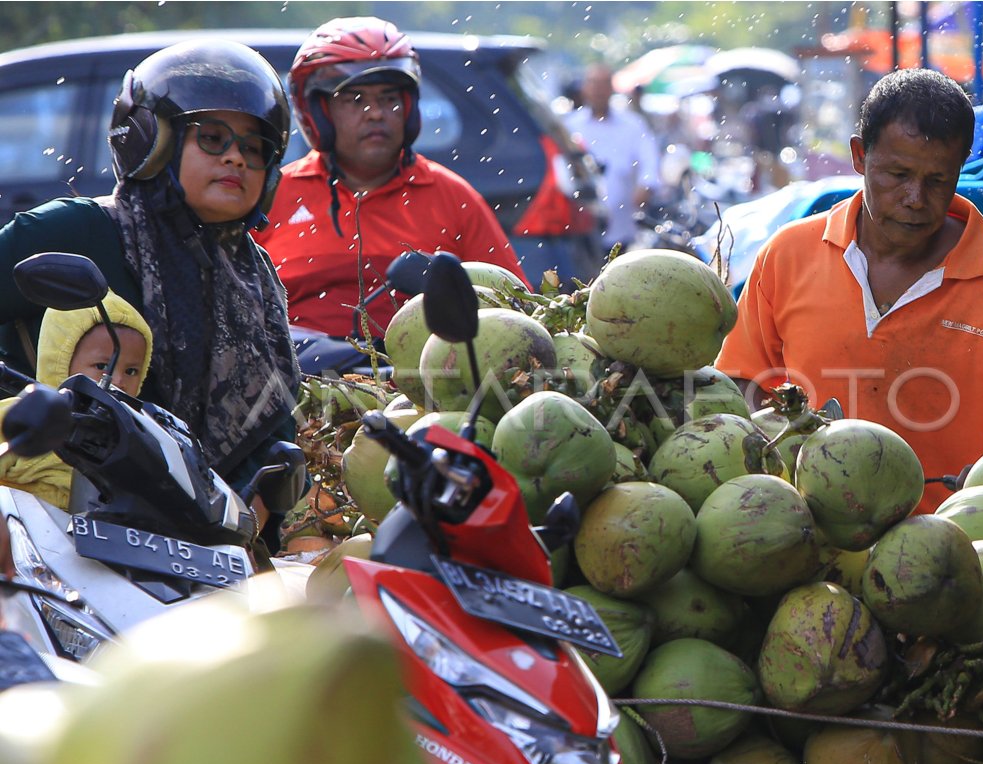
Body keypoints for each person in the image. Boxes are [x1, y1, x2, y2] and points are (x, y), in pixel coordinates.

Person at [715, 68, 983, 513]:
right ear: (859, 156)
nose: (915, 198)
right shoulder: (788, 255)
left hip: (956, 531)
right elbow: (743, 380)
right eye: (898, 174)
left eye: (937, 180)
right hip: (811, 525)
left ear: (960, 169)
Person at [0, 40, 303, 536]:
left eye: (254, 147)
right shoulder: (78, 230)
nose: (236, 158)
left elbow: (273, 427)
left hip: (204, 540)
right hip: (43, 517)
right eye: (212, 138)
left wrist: (261, 506)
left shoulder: (257, 280)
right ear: (151, 140)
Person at [255, 16, 528, 340]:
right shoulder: (271, 195)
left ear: (409, 106)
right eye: (355, 99)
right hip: (295, 383)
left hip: (422, 385)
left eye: (388, 98)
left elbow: (515, 312)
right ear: (316, 110)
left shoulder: (453, 197)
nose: (375, 113)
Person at [0, 292, 152, 510]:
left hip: (92, 540)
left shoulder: (133, 439)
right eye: (102, 366)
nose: (118, 380)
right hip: (19, 533)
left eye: (131, 371)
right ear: (61, 361)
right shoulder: (27, 413)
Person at [564, 62, 662, 252]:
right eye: (593, 84)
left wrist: (646, 186)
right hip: (581, 225)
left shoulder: (632, 124)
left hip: (622, 223)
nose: (598, 90)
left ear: (611, 88)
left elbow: (650, 161)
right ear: (585, 88)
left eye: (603, 84)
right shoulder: (570, 126)